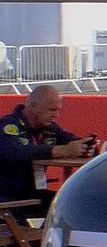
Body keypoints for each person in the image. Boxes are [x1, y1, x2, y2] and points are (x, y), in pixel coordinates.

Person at [1, 85, 93, 215]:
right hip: (8, 196)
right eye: (52, 110)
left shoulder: (49, 128)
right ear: (33, 105)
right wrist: (61, 151)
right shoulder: (8, 125)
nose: (56, 115)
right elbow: (17, 152)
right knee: (64, 209)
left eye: (58, 110)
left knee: (75, 204)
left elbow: (72, 140)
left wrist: (86, 147)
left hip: (33, 194)